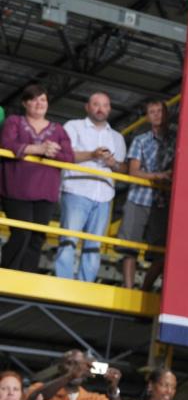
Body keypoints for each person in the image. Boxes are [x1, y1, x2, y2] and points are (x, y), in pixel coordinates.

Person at [54, 91, 127, 282]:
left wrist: (113, 163)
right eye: (95, 104)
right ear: (87, 107)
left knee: (94, 245)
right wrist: (92, 155)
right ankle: (63, 283)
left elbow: (122, 168)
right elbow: (64, 154)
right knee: (69, 240)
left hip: (104, 196)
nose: (100, 108)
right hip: (77, 190)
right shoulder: (73, 126)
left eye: (104, 105)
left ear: (109, 109)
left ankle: (86, 285)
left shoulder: (117, 138)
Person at [0, 84, 74, 273]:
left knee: (37, 237)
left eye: (43, 99)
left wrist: (50, 151)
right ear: (25, 103)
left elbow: (68, 156)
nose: (39, 103)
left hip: (46, 193)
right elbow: (6, 142)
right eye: (34, 99)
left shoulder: (58, 129)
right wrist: (39, 149)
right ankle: (8, 274)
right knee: (21, 233)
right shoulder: (14, 121)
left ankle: (27, 279)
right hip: (16, 189)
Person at [118, 99, 175, 290]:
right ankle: (128, 289)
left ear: (167, 113)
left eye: (160, 111)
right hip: (138, 198)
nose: (157, 115)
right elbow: (133, 171)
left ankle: (145, 288)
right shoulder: (140, 140)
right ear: (148, 116)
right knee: (129, 247)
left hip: (164, 202)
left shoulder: (178, 140)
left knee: (161, 253)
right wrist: (157, 176)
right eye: (152, 112)